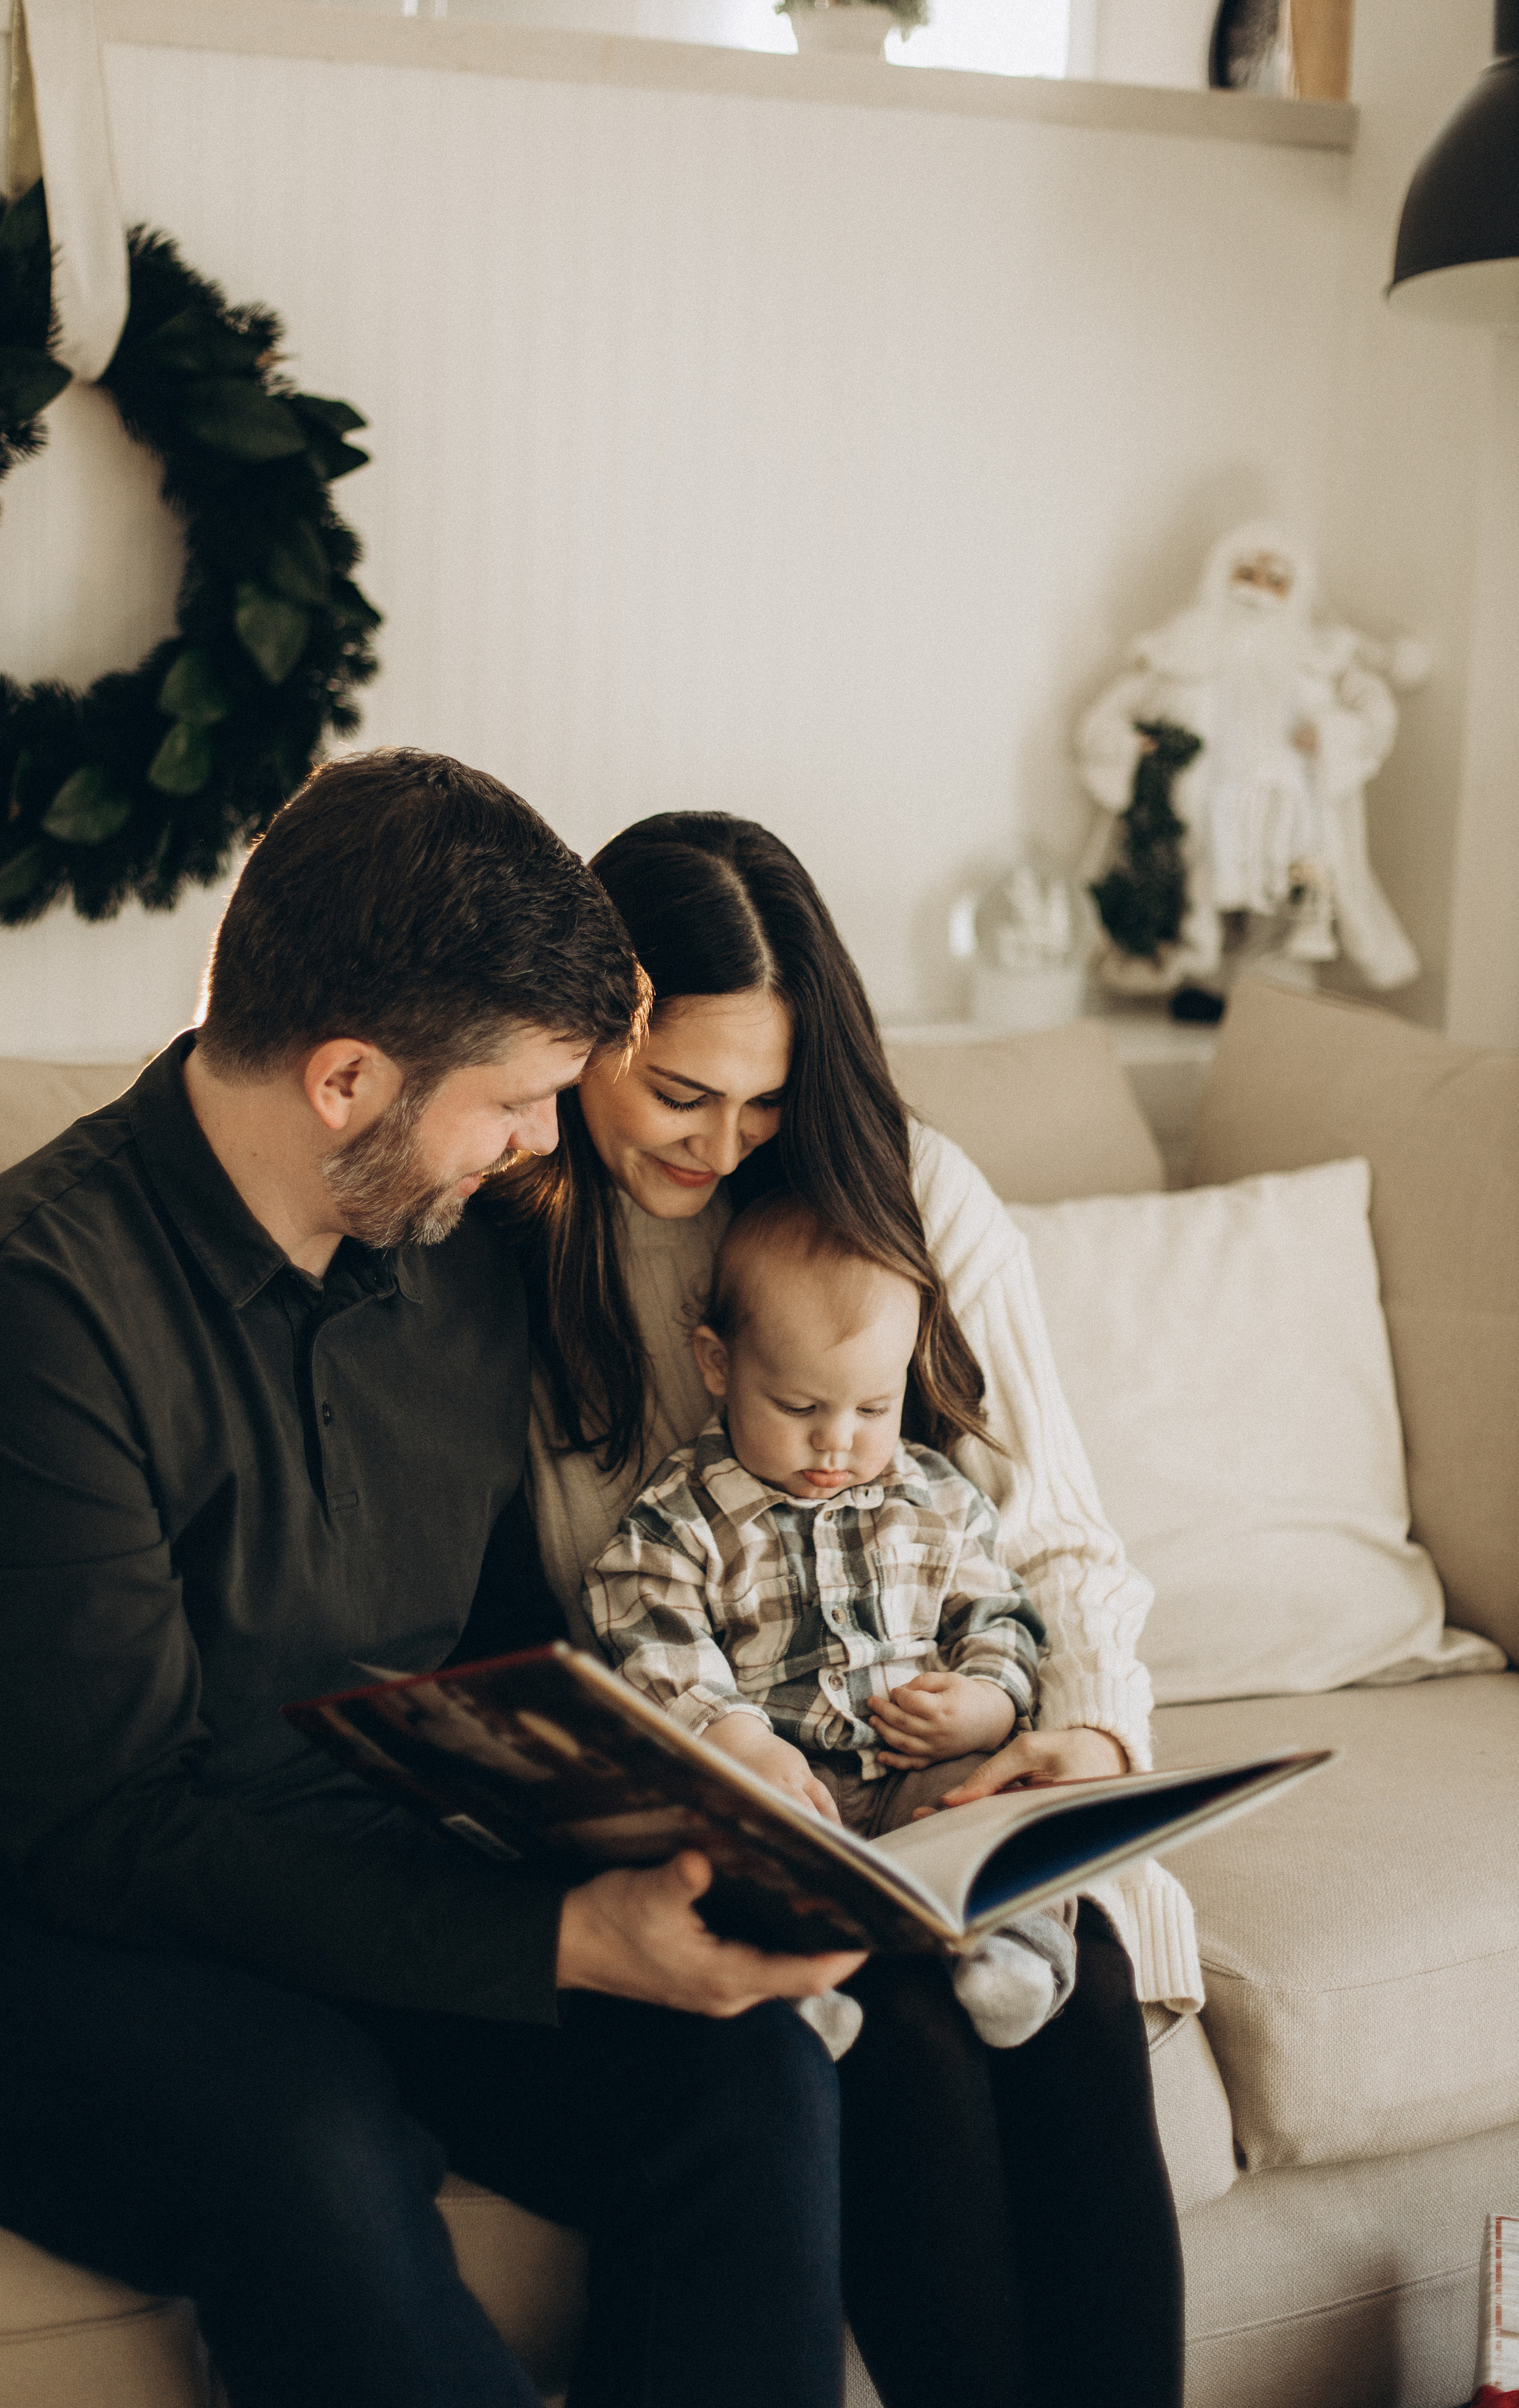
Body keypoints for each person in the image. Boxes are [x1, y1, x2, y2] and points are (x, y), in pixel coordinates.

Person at [0, 752, 866, 2408]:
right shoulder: (17, 1308)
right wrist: (557, 1940)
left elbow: (482, 1647)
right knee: (300, 2128)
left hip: (330, 1858)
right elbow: (108, 1831)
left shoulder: (452, 1262)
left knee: (745, 2078)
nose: (545, 1138)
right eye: (516, 1097)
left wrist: (683, 1785)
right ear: (343, 1080)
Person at [489, 808, 1195, 2408]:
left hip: (955, 1772)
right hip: (726, 1809)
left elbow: (1050, 1531)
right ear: (584, 1036)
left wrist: (1073, 1736)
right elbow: (563, 1619)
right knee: (899, 2035)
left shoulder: (903, 1192)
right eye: (677, 1090)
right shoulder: (513, 1230)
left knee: (1067, 1984)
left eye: (765, 1098)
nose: (720, 1141)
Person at [585, 1189, 1077, 2051]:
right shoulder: (682, 1516)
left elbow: (1000, 1611)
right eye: (800, 1408)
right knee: (738, 1853)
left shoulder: (935, 1498)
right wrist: (736, 1740)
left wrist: (990, 1701)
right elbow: (649, 1632)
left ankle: (1013, 1950)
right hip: (787, 1777)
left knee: (1000, 1804)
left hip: (922, 1765)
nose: (837, 1442)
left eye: (871, 1409)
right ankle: (799, 1993)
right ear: (717, 1363)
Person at [1076, 518, 1423, 996]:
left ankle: (1268, 993)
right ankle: (1203, 982)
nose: (1258, 592)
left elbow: (1374, 712)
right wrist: (1127, 742)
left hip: (1289, 799)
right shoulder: (1182, 647)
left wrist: (1330, 733)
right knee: (1202, 890)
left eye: (1276, 580)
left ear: (1294, 590)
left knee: (1286, 896)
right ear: (1222, 576)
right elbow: (1111, 713)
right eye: (1247, 575)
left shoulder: (1318, 653)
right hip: (1207, 798)